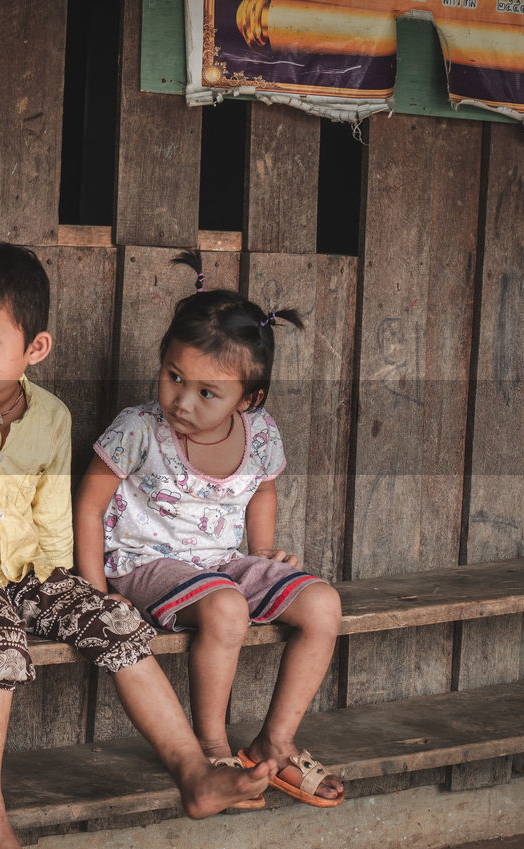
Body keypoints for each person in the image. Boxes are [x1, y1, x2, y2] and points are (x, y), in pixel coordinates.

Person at [0, 243, 275, 849]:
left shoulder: (52, 416)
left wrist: (73, 592)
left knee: (119, 623)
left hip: (34, 574)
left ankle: (194, 772)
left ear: (33, 349)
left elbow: (52, 522)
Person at [74, 251, 345, 809]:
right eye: (174, 376)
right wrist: (94, 588)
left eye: (206, 393)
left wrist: (263, 551)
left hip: (219, 562)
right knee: (225, 607)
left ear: (248, 400)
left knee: (322, 604)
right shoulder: (139, 427)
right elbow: (89, 505)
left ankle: (275, 741)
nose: (181, 400)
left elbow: (263, 487)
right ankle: (212, 750)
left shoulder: (261, 432)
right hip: (143, 564)